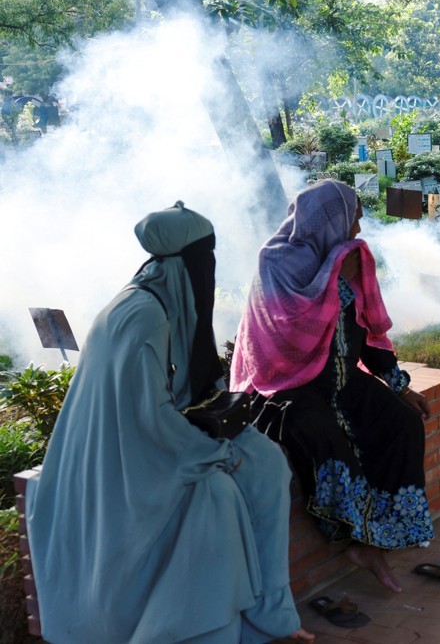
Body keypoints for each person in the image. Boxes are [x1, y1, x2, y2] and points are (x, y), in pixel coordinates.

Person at [26, 202, 314, 643]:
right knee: (216, 497)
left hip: (146, 444)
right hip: (120, 464)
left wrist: (228, 436)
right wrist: (216, 454)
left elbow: (187, 384)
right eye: (206, 256)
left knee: (268, 461)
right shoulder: (143, 314)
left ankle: (270, 610)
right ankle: (201, 629)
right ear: (187, 260)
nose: (210, 268)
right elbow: (147, 421)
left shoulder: (160, 295)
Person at [230, 179, 434, 594]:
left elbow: (367, 330)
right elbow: (283, 333)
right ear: (328, 218)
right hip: (286, 384)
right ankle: (358, 542)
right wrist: (336, 279)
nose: (358, 227)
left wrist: (398, 386)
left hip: (340, 377)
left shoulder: (349, 259)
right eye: (353, 216)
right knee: (325, 441)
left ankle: (386, 528)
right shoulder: (276, 261)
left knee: (402, 423)